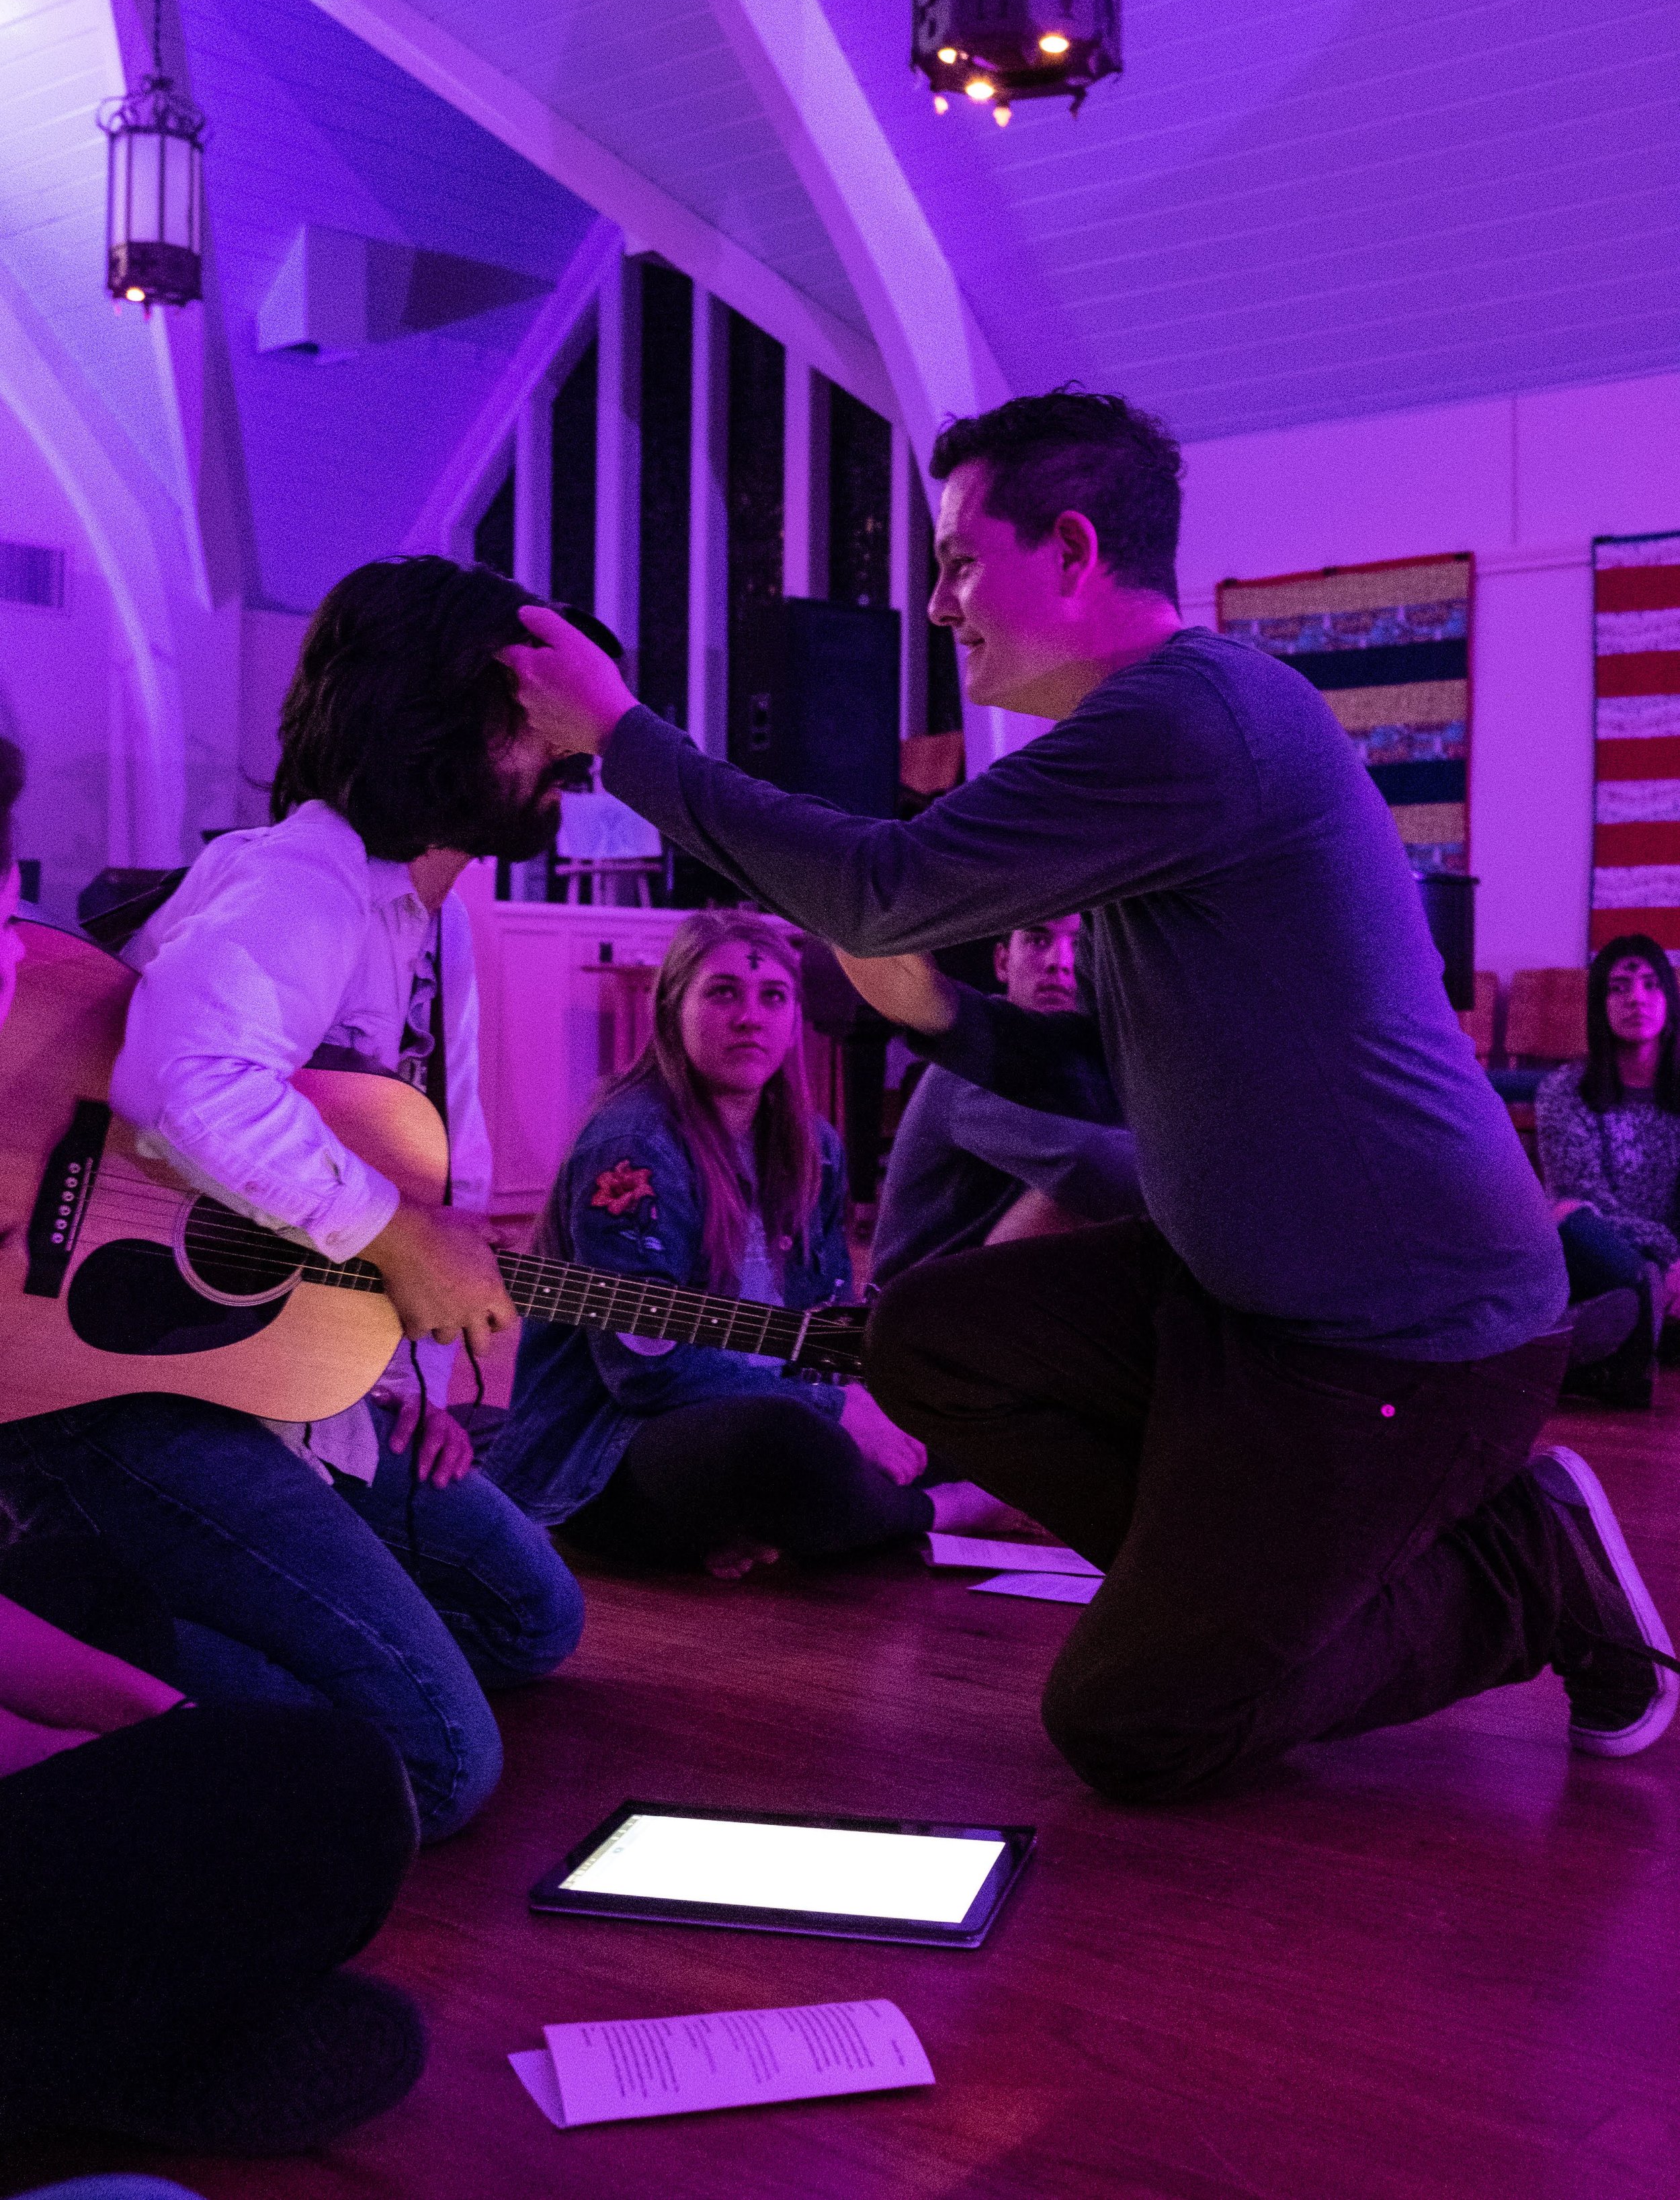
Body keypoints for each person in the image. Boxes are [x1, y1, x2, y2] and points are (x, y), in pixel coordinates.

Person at [499, 385, 1679, 1801]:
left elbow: (881, 884)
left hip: (1403, 1341)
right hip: (1247, 1307)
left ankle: (1520, 1571)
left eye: (954, 561)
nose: (938, 606)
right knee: (925, 1335)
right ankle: (1240, 1577)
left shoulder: (1190, 725)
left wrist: (619, 732)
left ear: (1066, 551)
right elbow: (1107, 1081)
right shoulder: (1160, 749)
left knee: (1133, 1723)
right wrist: (934, 1010)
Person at [0, 561, 585, 1843]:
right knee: (433, 1768)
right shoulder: (299, 886)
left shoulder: (432, 914)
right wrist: (396, 1233)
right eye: (522, 715)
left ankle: (197, 1604)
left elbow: (358, 1164)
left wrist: (399, 1382)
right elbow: (186, 1084)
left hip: (263, 1378)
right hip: (106, 1383)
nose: (560, 750)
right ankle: (66, 1637)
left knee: (535, 1621)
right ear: (435, 716)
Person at [0, 737, 425, 2156]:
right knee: (355, 1787)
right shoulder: (288, 901)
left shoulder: (397, 935)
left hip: (263, 1413)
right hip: (136, 1417)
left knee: (108, 1616)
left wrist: (132, 1719)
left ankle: (109, 2050)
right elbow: (182, 1090)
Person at [490, 910, 1017, 1575]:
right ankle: (931, 1516)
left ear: (794, 1018)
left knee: (967, 1407)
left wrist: (883, 1400)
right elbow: (645, 1373)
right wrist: (833, 1413)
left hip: (743, 1432)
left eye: (773, 997)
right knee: (778, 1441)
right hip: (607, 1452)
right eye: (722, 993)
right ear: (672, 1007)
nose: (750, 1016)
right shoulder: (633, 1149)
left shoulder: (815, 1148)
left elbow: (826, 1334)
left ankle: (781, 1521)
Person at [870, 911, 1145, 1288]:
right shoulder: (969, 1066)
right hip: (915, 1317)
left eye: (1080, 946)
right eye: (1037, 940)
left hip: (996, 1300)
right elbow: (1095, 1168)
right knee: (1077, 1192)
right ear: (1002, 961)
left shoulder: (1090, 1061)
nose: (1059, 964)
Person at [1536, 933, 1680, 1405]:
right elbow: (1582, 1200)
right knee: (1571, 1217)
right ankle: (1644, 1322)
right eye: (1618, 987)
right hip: (1606, 1258)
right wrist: (1669, 1260)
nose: (1636, 998)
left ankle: (1622, 1343)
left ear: (1669, 998)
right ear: (1600, 1004)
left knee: (1628, 1304)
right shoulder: (1565, 1091)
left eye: (1649, 984)